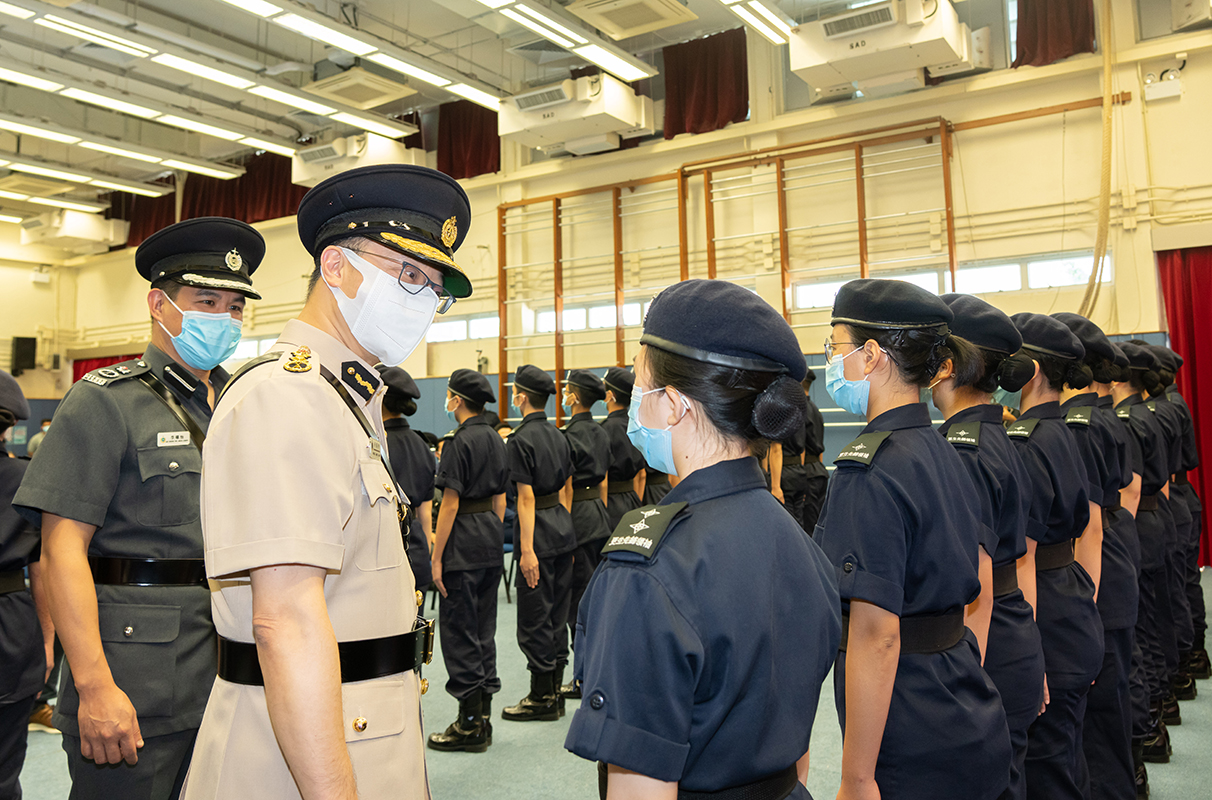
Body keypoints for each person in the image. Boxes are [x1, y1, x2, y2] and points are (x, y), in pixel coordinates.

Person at [180, 165, 473, 799]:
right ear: (336, 267)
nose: (423, 300)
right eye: (409, 275)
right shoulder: (287, 396)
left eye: (433, 288)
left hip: (362, 724)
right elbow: (283, 620)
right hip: (300, 762)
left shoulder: (345, 397)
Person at [15, 217, 262, 800]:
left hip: (232, 672)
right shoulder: (104, 402)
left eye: (235, 307)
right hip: (137, 680)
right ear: (160, 303)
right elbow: (61, 551)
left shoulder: (241, 404)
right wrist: (95, 687)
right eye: (207, 300)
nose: (223, 319)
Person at [565, 279, 840, 797]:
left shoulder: (650, 570)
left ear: (672, 404)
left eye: (640, 386)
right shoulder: (801, 543)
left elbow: (640, 784)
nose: (633, 404)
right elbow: (795, 748)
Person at [814, 279, 1009, 800]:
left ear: (872, 355)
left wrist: (856, 779)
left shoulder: (871, 468)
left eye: (836, 347)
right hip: (962, 694)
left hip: (911, 715)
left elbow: (877, 634)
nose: (830, 361)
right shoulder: (943, 448)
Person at [934, 294, 1042, 800]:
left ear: (949, 365)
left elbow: (975, 582)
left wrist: (967, 686)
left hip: (988, 647)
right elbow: (1024, 558)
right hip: (1015, 633)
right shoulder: (1001, 432)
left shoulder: (963, 450)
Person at [1005, 313, 1104, 800]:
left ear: (1034, 367)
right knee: (1067, 761)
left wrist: (1030, 657)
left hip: (1046, 616)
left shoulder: (1024, 444)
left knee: (1047, 775)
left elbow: (1024, 556)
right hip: (1073, 605)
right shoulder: (1064, 430)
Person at [1052, 313, 1139, 800]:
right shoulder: (1101, 417)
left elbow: (1088, 525)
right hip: (1112, 569)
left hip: (1096, 582)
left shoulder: (1078, 426)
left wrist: (1082, 607)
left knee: (1100, 727)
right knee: (1109, 718)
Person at [428, 368, 508, 753]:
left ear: (457, 400)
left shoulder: (458, 442)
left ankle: (469, 724)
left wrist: (437, 557)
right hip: (490, 540)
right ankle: (484, 716)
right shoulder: (495, 437)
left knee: (459, 634)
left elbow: (450, 504)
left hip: (461, 543)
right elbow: (501, 500)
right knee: (483, 630)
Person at [1111, 343, 1175, 770]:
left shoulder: (1129, 420)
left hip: (1137, 527)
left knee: (1141, 631)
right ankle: (1158, 709)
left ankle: (1150, 722)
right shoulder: (1150, 413)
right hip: (1157, 518)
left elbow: (1130, 490)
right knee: (1153, 621)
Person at [502, 364, 575, 722]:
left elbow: (526, 500)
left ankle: (542, 697)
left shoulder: (520, 440)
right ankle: (556, 691)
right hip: (563, 527)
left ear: (522, 397)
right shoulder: (560, 435)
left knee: (534, 618)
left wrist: (526, 550)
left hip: (538, 534)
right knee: (558, 615)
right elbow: (567, 489)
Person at [0, 370, 50, 799]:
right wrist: (48, 641)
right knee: (4, 762)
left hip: (15, 620)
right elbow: (46, 568)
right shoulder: (25, 481)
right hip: (14, 623)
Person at [557, 369, 611, 702]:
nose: (563, 396)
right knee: (597, 598)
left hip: (576, 514)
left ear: (574, 397)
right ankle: (593, 670)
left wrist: (565, 530)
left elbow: (565, 488)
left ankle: (581, 676)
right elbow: (603, 481)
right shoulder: (601, 432)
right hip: (599, 516)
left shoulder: (567, 435)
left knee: (576, 602)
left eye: (566, 391)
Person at [1153, 347, 1206, 681]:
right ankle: (1193, 654)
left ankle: (1189, 659)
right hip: (1182, 495)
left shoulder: (1162, 409)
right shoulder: (1174, 403)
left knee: (1177, 587)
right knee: (1184, 582)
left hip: (1171, 497)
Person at [378, 366, 436, 594]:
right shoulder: (422, 444)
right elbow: (425, 511)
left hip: (384, 551)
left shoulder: (375, 444)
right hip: (417, 547)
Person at [599, 367, 645, 531]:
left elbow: (603, 482)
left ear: (610, 395)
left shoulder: (604, 430)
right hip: (633, 499)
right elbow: (641, 474)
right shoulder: (636, 427)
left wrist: (602, 514)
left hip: (611, 502)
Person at [801, 368, 828, 533]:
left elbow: (802, 447)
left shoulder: (800, 411)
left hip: (807, 473)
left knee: (808, 527)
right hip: (820, 471)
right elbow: (821, 448)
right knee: (819, 525)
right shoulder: (816, 411)